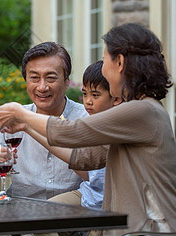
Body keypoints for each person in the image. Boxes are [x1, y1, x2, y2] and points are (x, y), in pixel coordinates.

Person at [0, 23, 176, 235]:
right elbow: (84, 158)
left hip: (152, 229)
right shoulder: (137, 112)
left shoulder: (142, 111)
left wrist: (21, 114)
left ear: (119, 62)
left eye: (105, 58)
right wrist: (27, 126)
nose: (102, 68)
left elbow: (73, 131)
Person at [0, 42, 88, 199]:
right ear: (26, 80)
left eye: (51, 78)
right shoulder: (11, 120)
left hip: (75, 216)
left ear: (67, 81)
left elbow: (99, 177)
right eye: (34, 78)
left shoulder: (85, 119)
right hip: (21, 215)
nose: (42, 87)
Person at [46, 61, 121, 210]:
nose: (88, 101)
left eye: (95, 95)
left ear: (115, 97)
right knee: (43, 213)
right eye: (85, 94)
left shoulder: (117, 126)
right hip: (88, 194)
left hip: (110, 203)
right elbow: (89, 175)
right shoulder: (90, 122)